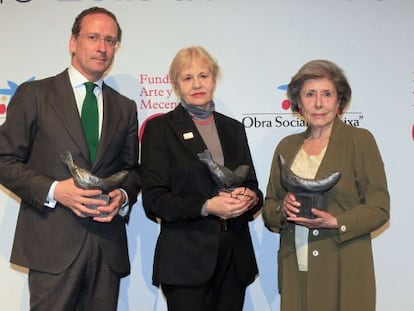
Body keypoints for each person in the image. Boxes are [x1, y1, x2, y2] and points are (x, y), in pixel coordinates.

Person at [0, 7, 140, 311]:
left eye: (110, 41)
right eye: (93, 37)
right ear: (73, 42)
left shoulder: (125, 108)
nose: (102, 48)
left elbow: (132, 170)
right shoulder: (34, 94)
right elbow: (4, 160)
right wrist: (55, 190)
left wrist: (123, 194)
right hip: (52, 248)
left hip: (106, 249)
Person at [141, 46, 263, 311]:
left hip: (234, 260)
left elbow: (252, 185)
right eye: (187, 78)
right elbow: (154, 200)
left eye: (203, 76)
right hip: (186, 263)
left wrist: (250, 197)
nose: (197, 84)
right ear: (175, 84)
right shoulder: (160, 129)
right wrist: (206, 205)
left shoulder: (233, 128)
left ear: (214, 79)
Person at [262, 59, 390, 311]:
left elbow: (379, 208)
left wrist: (337, 222)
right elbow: (269, 207)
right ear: (299, 103)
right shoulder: (286, 146)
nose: (318, 103)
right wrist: (282, 209)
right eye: (310, 94)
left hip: (343, 268)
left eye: (327, 94)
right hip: (295, 267)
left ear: (339, 101)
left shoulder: (360, 141)